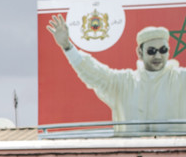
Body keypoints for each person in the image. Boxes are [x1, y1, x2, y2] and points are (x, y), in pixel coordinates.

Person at [46, 15, 186, 134]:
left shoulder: (181, 79)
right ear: (140, 53)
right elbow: (94, 72)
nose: (158, 55)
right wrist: (67, 47)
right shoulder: (125, 82)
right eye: (151, 51)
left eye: (163, 50)